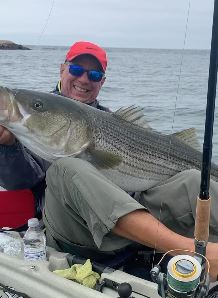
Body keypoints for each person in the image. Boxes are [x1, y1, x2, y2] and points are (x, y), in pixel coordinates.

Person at [0, 41, 218, 282]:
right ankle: (189, 249)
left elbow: (134, 184)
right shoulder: (33, 123)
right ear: (62, 69)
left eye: (94, 74)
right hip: (72, 231)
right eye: (76, 70)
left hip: (127, 230)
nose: (84, 79)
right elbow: (20, 180)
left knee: (194, 179)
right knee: (67, 167)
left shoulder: (112, 120)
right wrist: (7, 147)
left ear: (102, 82)